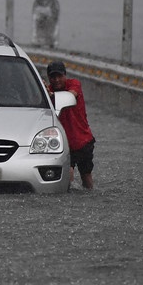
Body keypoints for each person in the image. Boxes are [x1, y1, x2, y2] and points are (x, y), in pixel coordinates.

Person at [46, 60, 96, 189]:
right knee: (68, 174)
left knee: (86, 176)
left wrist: (51, 95)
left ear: (65, 75)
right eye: (53, 77)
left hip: (83, 141)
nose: (56, 80)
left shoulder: (74, 84)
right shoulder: (47, 91)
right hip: (65, 144)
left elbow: (72, 95)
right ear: (49, 78)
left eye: (59, 76)